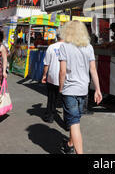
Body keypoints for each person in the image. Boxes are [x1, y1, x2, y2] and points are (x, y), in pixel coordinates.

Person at [58, 20, 102, 154]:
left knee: (74, 123)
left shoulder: (64, 46)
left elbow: (62, 72)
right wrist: (98, 89)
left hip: (70, 89)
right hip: (84, 89)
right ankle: (70, 143)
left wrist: (60, 88)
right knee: (75, 119)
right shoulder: (88, 46)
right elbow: (93, 69)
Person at [42, 33, 64, 123]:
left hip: (52, 76)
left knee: (51, 98)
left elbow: (46, 63)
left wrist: (44, 75)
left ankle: (50, 116)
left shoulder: (51, 47)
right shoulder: (70, 47)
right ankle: (68, 122)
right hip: (66, 77)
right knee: (66, 101)